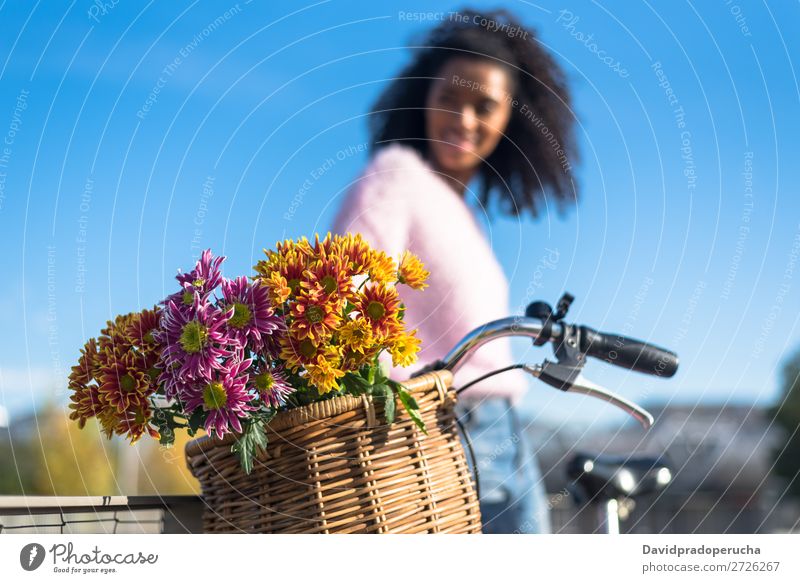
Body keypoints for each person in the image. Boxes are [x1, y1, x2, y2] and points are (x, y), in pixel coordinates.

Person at [332, 8, 579, 533]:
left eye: (484, 105)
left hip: (501, 430)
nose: (463, 119)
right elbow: (343, 295)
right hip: (433, 431)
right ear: (424, 99)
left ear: (511, 117)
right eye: (449, 98)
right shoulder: (395, 176)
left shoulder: (465, 217)